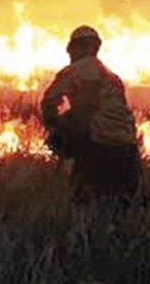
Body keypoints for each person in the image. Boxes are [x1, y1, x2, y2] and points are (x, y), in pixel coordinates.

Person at [41, 26, 142, 222]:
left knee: (84, 203)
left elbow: (48, 102)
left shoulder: (72, 72)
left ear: (75, 48)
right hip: (127, 148)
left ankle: (85, 241)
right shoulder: (113, 78)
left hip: (97, 145)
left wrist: (56, 130)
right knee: (122, 208)